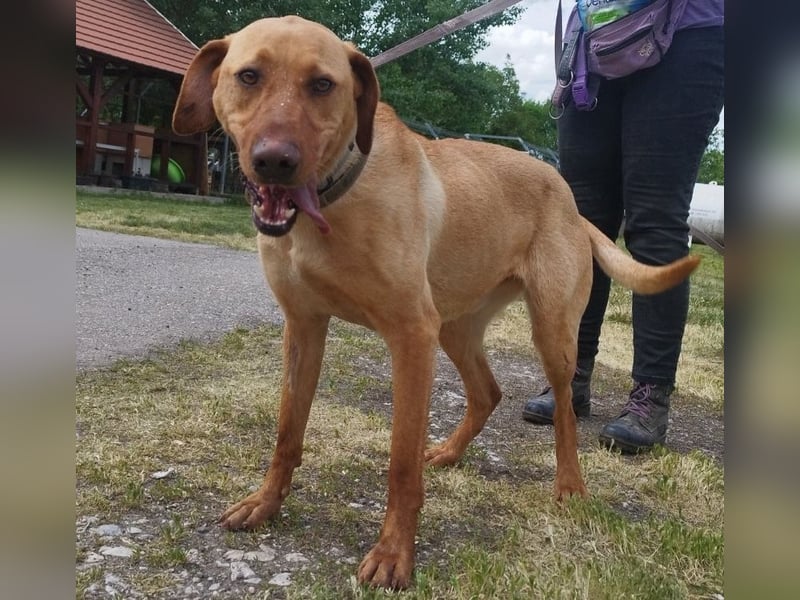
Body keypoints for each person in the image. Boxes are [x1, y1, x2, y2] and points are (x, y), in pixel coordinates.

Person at [522, 0, 724, 453]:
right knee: (580, 222)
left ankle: (650, 398)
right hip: (594, 40)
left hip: (687, 32)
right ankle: (570, 376)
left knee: (655, 221)